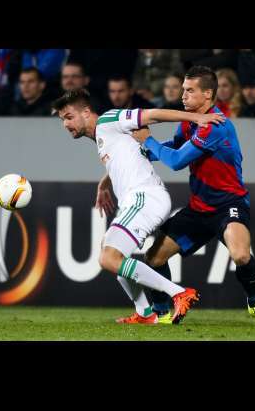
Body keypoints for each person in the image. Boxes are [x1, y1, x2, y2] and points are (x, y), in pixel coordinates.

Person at [52, 89, 224, 324]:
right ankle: (145, 313)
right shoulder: (103, 137)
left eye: (69, 117)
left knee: (108, 257)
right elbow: (127, 156)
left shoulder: (108, 120)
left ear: (86, 112)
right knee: (112, 253)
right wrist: (104, 182)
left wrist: (197, 118)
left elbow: (152, 115)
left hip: (145, 197)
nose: (65, 124)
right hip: (141, 199)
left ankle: (179, 293)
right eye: (62, 120)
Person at [131, 66, 255, 327]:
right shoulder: (189, 121)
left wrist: (148, 140)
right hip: (199, 209)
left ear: (208, 94)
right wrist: (143, 152)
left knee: (241, 255)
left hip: (229, 204)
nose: (183, 95)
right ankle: (163, 313)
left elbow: (177, 161)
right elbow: (175, 147)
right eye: (183, 90)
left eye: (190, 90)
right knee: (153, 257)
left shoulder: (216, 125)